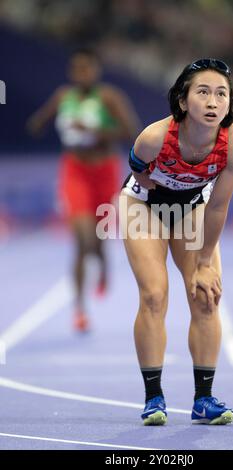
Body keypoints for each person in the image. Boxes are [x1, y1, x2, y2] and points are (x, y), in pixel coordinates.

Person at [120, 58, 233, 425]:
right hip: (143, 205)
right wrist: (152, 186)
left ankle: (203, 399)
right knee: (154, 295)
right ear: (182, 100)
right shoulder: (154, 137)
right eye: (203, 92)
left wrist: (206, 262)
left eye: (221, 94)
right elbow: (136, 168)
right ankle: (153, 398)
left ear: (229, 103)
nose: (213, 102)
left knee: (206, 296)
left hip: (193, 208)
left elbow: (218, 206)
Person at [27, 47, 141, 332]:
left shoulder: (109, 97)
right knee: (82, 241)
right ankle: (79, 309)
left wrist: (94, 132)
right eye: (77, 70)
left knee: (98, 240)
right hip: (74, 172)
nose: (82, 75)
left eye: (87, 69)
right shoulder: (63, 97)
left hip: (104, 172)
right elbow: (36, 123)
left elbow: (133, 132)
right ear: (71, 72)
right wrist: (44, 124)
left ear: (96, 71)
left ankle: (103, 266)